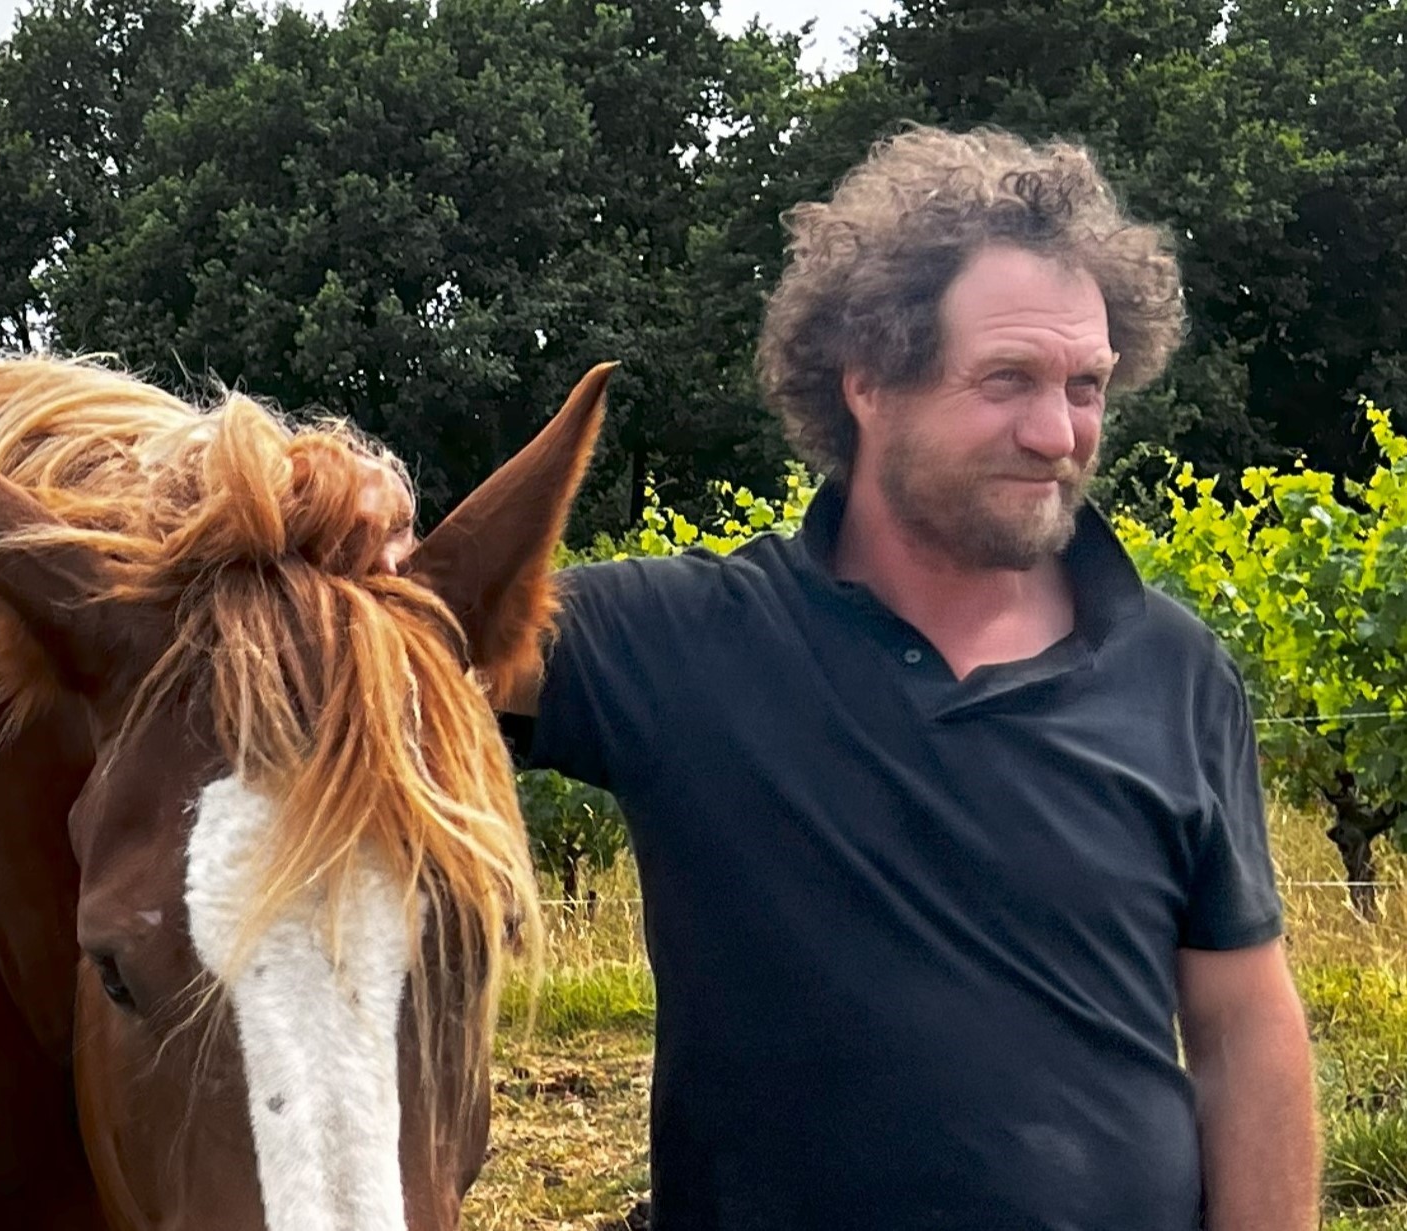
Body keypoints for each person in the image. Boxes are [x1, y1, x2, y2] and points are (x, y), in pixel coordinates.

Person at [493, 126, 1319, 1230]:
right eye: (1007, 380)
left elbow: (1242, 1026)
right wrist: (343, 511)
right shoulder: (677, 642)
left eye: (1086, 384)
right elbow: (401, 640)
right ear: (869, 381)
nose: (1057, 433)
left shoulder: (1173, 669)